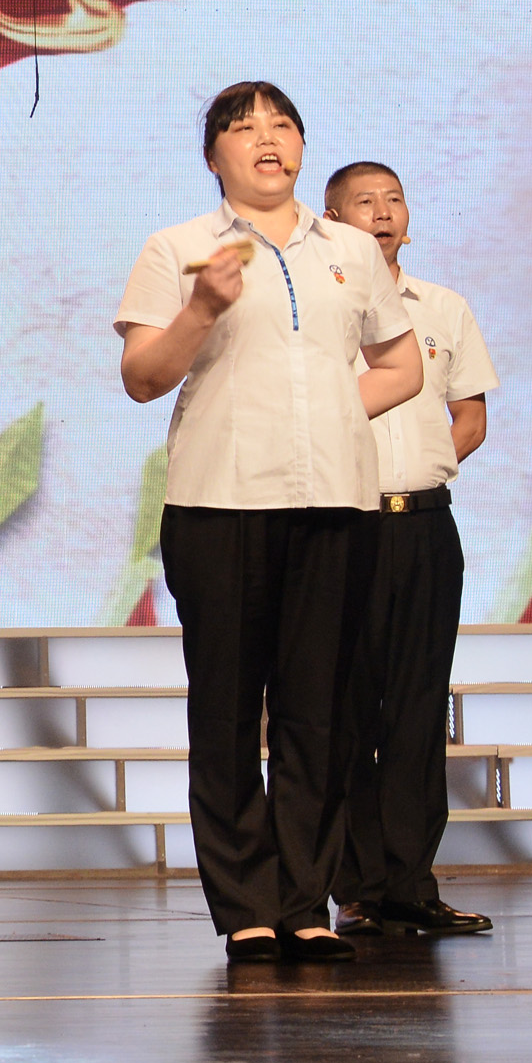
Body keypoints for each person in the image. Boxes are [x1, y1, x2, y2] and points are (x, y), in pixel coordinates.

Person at [116, 82, 421, 963]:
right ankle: (245, 904)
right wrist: (200, 308)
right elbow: (141, 377)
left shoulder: (350, 250)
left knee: (316, 712)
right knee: (225, 709)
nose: (266, 138)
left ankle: (302, 900)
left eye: (281, 124)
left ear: (300, 146)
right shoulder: (177, 247)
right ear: (212, 155)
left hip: (332, 502)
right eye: (244, 126)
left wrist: (328, 417)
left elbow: (399, 365)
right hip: (219, 502)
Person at [324, 161, 499, 939]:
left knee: (419, 706)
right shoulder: (320, 313)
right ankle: (355, 885)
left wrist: (417, 469)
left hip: (425, 526)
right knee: (345, 706)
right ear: (331, 220)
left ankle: (410, 884)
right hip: (343, 524)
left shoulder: (444, 307)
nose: (382, 211)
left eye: (393, 198)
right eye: (364, 201)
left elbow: (470, 416)